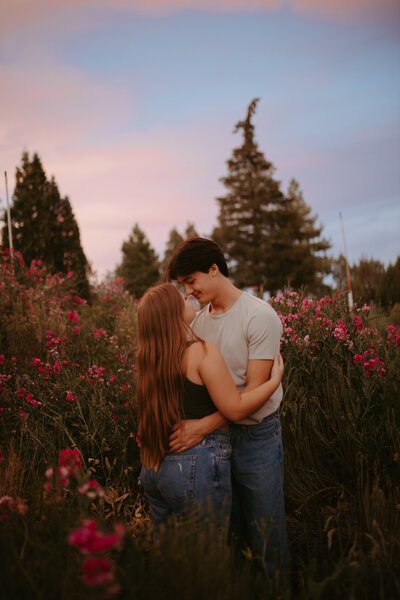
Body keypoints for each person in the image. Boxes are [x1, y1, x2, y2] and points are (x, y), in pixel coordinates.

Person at [166, 238, 290, 576]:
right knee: (230, 537)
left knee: (266, 533)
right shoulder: (199, 323)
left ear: (214, 268)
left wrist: (201, 426)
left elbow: (253, 394)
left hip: (256, 437)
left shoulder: (259, 316)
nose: (188, 292)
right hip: (215, 446)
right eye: (183, 285)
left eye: (191, 281)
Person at [137, 283, 284, 531]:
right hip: (194, 467)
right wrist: (274, 382)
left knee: (170, 560)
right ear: (173, 312)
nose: (190, 299)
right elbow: (235, 409)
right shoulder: (201, 352)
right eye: (183, 299)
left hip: (153, 468)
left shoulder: (149, 358)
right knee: (207, 560)